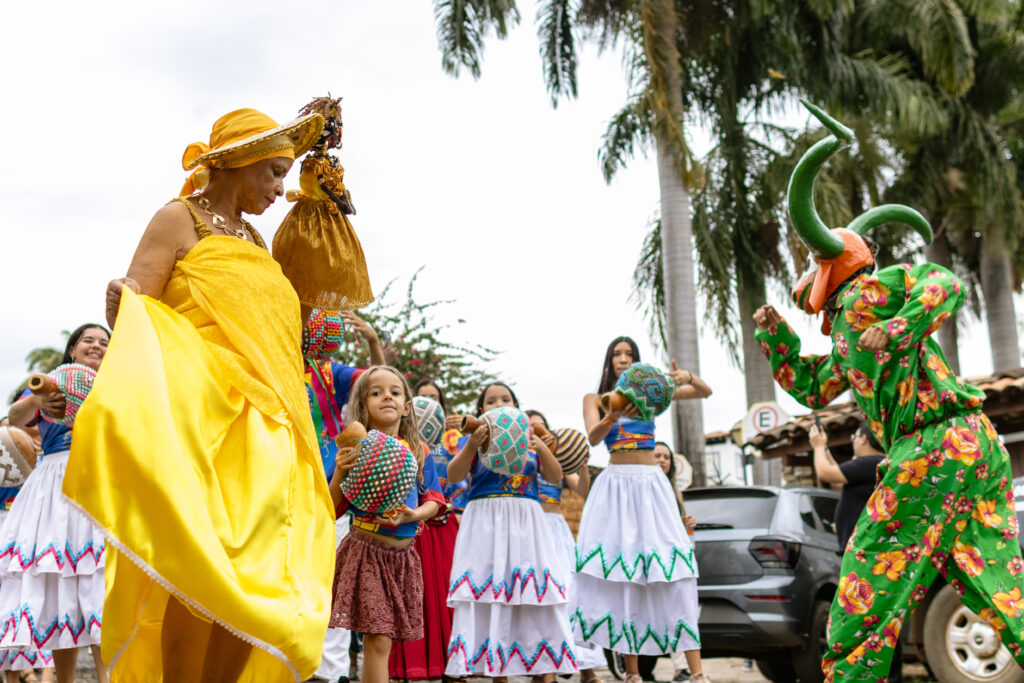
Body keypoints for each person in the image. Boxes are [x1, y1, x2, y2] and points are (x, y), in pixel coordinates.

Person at [753, 102, 1024, 682]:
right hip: (977, 446)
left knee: (865, 587)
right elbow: (811, 385)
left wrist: (897, 327)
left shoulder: (869, 294)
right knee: (1002, 589)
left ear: (831, 265)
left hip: (929, 452)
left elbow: (941, 280)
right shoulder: (850, 338)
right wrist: (775, 334)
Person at [65, 108, 338, 682]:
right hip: (201, 418)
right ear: (236, 162)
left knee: (257, 572)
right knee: (197, 562)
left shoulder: (257, 242)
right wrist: (121, 298)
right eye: (273, 172)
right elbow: (138, 303)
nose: (279, 189)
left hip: (268, 426)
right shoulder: (178, 217)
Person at [576, 337, 712, 683]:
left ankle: (697, 673)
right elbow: (592, 438)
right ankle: (633, 674)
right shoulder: (594, 399)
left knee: (674, 565)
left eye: (630, 354)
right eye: (617, 354)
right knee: (625, 573)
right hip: (616, 485)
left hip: (651, 486)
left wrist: (686, 376)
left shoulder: (651, 395)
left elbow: (704, 392)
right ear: (609, 362)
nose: (623, 359)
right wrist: (612, 416)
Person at [444, 382, 577, 681]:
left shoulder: (530, 442)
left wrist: (541, 446)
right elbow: (453, 475)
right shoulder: (476, 440)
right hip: (485, 520)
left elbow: (554, 477)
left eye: (506, 399)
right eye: (491, 401)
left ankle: (544, 669)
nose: (498, 403)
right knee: (491, 593)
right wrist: (471, 445)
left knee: (533, 591)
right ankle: (497, 674)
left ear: (518, 408)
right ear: (481, 410)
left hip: (525, 519)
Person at [4, 324, 111, 683]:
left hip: (104, 481)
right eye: (88, 340)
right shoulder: (48, 382)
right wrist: (36, 400)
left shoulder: (122, 383)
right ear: (72, 350)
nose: (96, 346)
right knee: (61, 594)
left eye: (104, 342)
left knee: (101, 592)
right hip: (55, 485)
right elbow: (13, 421)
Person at [328, 366, 445, 683]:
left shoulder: (420, 452)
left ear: (408, 405)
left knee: (383, 640)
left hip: (403, 558)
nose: (386, 397)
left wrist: (413, 515)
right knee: (377, 638)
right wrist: (339, 472)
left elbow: (433, 500)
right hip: (366, 551)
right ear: (362, 405)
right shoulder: (355, 448)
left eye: (395, 391)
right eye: (376, 392)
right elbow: (332, 508)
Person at [302, 309, 383, 683]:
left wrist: (372, 343)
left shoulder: (331, 373)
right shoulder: (275, 364)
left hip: (332, 486)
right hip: (285, 480)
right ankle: (294, 662)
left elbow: (377, 384)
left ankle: (330, 672)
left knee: (330, 575)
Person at [809, 423, 901, 683]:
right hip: (867, 555)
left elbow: (827, 473)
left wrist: (817, 447)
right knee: (877, 616)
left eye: (853, 436)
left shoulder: (870, 462)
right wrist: (823, 446)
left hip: (866, 558)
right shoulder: (873, 464)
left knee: (865, 617)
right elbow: (837, 469)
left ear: (862, 438)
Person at [525, 410, 606, 683]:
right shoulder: (522, 459)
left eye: (542, 426)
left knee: (570, 594)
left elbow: (582, 489)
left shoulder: (558, 460)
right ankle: (541, 665)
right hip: (531, 528)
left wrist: (581, 461)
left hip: (557, 529)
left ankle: (586, 666)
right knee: (538, 597)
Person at [389, 393, 460, 682]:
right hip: (402, 532)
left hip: (440, 525)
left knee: (439, 595)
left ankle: (445, 664)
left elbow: (435, 493)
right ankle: (401, 668)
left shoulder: (448, 445)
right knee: (405, 598)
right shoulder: (383, 445)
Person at [652, 441, 699, 682]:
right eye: (657, 455)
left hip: (671, 558)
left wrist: (687, 526)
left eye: (666, 457)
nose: (662, 460)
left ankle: (682, 669)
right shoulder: (644, 489)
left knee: (678, 611)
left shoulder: (673, 491)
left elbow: (677, 529)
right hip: (649, 556)